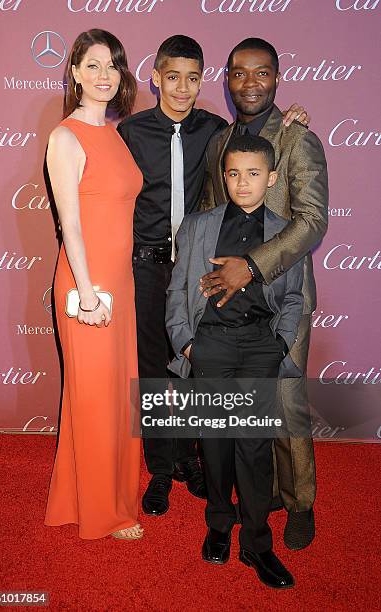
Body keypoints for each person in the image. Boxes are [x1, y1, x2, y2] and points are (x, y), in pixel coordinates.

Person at [117, 34, 309, 517]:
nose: (182, 88)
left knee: (199, 364)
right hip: (146, 264)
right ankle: (162, 469)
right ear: (156, 77)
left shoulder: (217, 131)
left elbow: (259, 152)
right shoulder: (131, 132)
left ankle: (196, 460)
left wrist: (293, 119)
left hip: (204, 266)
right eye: (173, 77)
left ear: (205, 81)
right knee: (157, 370)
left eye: (192, 78)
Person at [200, 38, 328, 550]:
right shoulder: (219, 143)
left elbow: (313, 221)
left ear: (276, 78)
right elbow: (212, 215)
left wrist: (251, 267)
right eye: (238, 73)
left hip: (282, 295)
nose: (249, 83)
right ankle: (265, 491)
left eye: (261, 73)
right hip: (230, 299)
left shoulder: (299, 139)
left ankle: (299, 503)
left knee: (287, 402)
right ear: (227, 81)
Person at [166, 135, 304, 589]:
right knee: (217, 442)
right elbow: (178, 291)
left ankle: (257, 543)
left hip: (260, 347)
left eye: (252, 173)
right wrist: (187, 344)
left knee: (254, 445)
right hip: (211, 345)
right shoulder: (197, 225)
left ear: (271, 177)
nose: (242, 183)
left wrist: (281, 345)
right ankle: (219, 526)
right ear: (222, 176)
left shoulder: (286, 232)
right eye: (232, 173)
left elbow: (294, 298)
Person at [44, 29, 144, 541]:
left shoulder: (114, 132)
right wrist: (85, 291)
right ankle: (104, 512)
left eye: (114, 66)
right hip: (88, 285)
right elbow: (71, 224)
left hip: (119, 285)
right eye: (94, 65)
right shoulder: (65, 137)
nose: (105, 76)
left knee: (114, 394)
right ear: (76, 72)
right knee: (95, 397)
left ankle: (101, 492)